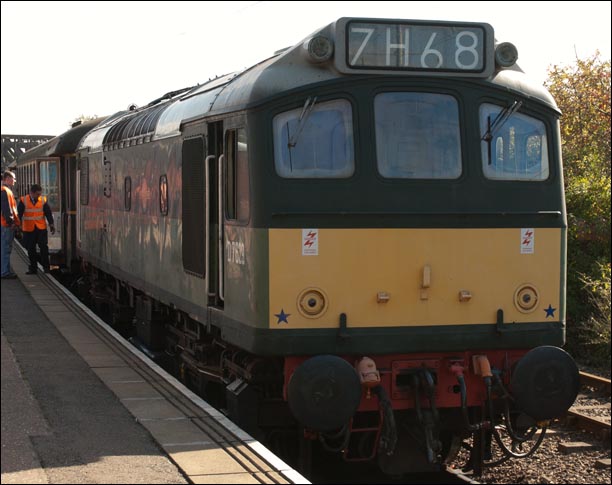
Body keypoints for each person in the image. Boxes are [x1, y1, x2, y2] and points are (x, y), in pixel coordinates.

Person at [17, 183, 55, 275]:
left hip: (41, 228)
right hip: (29, 229)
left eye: (40, 194)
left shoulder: (42, 200)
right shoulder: (23, 200)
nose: (39, 196)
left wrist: (51, 224)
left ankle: (46, 268)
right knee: (30, 249)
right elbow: (19, 214)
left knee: (44, 247)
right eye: (37, 194)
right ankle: (33, 268)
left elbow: (48, 213)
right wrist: (18, 225)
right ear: (32, 193)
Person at [1, 170, 20, 279]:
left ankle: (5, 270)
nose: (14, 181)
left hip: (4, 224)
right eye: (13, 178)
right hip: (6, 225)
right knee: (5, 249)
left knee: (5, 248)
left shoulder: (6, 190)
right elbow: (6, 209)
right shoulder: (5, 191)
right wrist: (11, 222)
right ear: (7, 179)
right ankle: (4, 272)